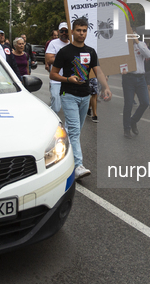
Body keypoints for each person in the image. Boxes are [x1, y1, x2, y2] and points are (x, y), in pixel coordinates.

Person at [50, 17, 112, 179]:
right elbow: (53, 74)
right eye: (78, 30)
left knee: (73, 131)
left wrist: (106, 87)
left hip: (85, 96)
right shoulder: (64, 52)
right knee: (75, 131)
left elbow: (98, 71)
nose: (81, 33)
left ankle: (61, 153)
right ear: (72, 31)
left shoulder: (90, 51)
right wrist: (67, 79)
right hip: (68, 94)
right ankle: (78, 166)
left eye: (84, 30)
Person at [122, 37, 150, 138]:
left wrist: (137, 42)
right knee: (129, 104)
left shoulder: (142, 44)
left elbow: (148, 54)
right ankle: (126, 128)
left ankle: (133, 121)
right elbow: (119, 60)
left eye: (133, 34)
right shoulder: (124, 46)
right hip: (128, 78)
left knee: (145, 102)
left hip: (141, 78)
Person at [45, 23, 70, 113]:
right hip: (56, 79)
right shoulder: (53, 43)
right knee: (56, 105)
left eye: (66, 31)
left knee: (69, 107)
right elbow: (49, 59)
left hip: (69, 80)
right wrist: (65, 60)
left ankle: (68, 127)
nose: (64, 33)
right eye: (62, 31)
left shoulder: (73, 43)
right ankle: (50, 118)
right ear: (59, 32)